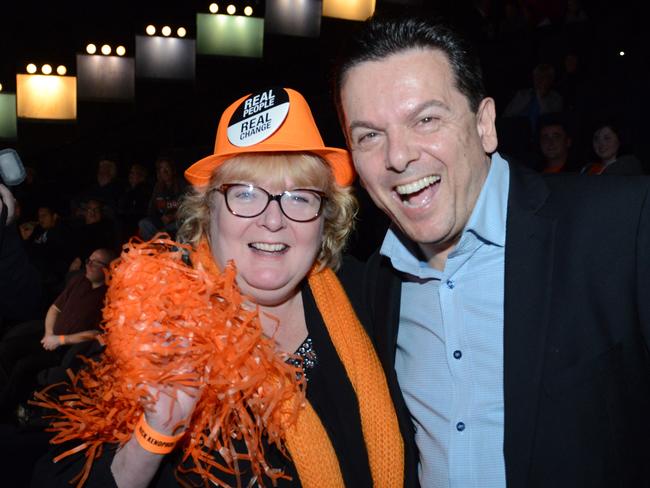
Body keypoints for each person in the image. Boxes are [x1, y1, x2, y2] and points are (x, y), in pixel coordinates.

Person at [334, 15, 650, 488]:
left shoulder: (623, 225)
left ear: (485, 124)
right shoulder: (371, 286)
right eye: (369, 136)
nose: (397, 156)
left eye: (425, 119)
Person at [32, 87, 405, 487]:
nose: (273, 220)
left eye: (299, 197)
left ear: (325, 216)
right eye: (245, 193)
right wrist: (153, 435)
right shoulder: (160, 328)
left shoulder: (367, 293)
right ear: (207, 210)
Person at [0, 247, 115, 420]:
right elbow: (54, 308)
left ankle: (5, 410)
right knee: (8, 347)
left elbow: (95, 334)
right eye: (88, 260)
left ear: (108, 268)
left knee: (24, 366)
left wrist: (60, 340)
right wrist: (48, 333)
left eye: (95, 263)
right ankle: (12, 393)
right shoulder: (79, 281)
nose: (89, 265)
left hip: (66, 349)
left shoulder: (108, 296)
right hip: (50, 336)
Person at [580, 122, 644, 175]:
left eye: (607, 138)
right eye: (596, 139)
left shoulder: (629, 165)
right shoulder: (588, 168)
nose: (601, 144)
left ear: (619, 140)